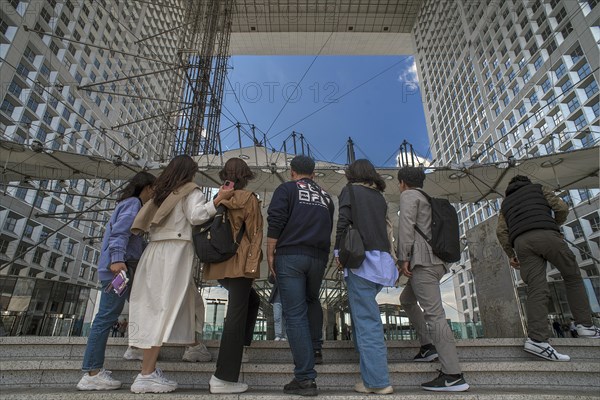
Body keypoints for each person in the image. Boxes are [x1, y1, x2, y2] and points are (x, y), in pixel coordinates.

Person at [127, 155, 233, 394]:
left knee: (179, 300)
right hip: (174, 252)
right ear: (189, 173)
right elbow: (196, 216)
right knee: (162, 307)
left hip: (153, 250)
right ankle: (147, 373)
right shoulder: (189, 190)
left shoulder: (161, 193)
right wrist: (218, 199)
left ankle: (193, 346)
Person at [496, 175, 600, 361]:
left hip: (522, 243)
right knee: (572, 276)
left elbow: (501, 231)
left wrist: (511, 254)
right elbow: (561, 207)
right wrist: (554, 224)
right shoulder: (538, 188)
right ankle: (585, 326)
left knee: (536, 288)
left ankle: (537, 340)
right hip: (548, 234)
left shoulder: (505, 204)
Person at [77, 171, 156, 391]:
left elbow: (130, 239)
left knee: (135, 306)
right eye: (154, 189)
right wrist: (117, 259)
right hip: (118, 269)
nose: (154, 194)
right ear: (147, 188)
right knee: (106, 316)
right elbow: (119, 234)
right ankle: (92, 372)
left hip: (120, 268)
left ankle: (134, 347)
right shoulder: (133, 204)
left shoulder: (129, 203)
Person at [397, 166, 469, 392]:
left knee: (434, 315)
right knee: (407, 300)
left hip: (423, 262)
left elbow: (406, 227)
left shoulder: (409, 195)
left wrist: (403, 258)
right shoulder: (426, 198)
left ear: (401, 183)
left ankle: (452, 374)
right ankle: (428, 346)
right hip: (436, 261)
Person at [267, 155, 334, 396]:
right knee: (312, 300)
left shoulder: (286, 189)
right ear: (314, 174)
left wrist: (270, 251)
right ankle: (316, 349)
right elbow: (328, 227)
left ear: (292, 172)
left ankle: (305, 378)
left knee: (294, 313)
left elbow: (276, 219)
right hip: (318, 256)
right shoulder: (326, 197)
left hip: (291, 254)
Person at [334, 159, 398, 395]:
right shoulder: (379, 197)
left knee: (367, 322)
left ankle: (378, 381)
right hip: (382, 263)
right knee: (365, 319)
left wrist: (338, 253)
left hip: (361, 261)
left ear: (352, 174)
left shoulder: (349, 190)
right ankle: (370, 375)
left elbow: (343, 223)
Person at [202, 158, 263, 394]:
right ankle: (223, 377)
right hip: (239, 264)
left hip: (220, 264)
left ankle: (242, 349)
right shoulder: (248, 198)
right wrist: (251, 267)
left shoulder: (217, 198)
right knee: (235, 317)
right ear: (245, 176)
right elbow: (255, 233)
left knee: (253, 300)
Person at [268, 273, 287, 341]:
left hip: (286, 301)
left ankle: (283, 336)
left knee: (284, 319)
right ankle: (278, 335)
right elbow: (270, 280)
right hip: (277, 300)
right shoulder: (277, 274)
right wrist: (273, 271)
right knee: (277, 318)